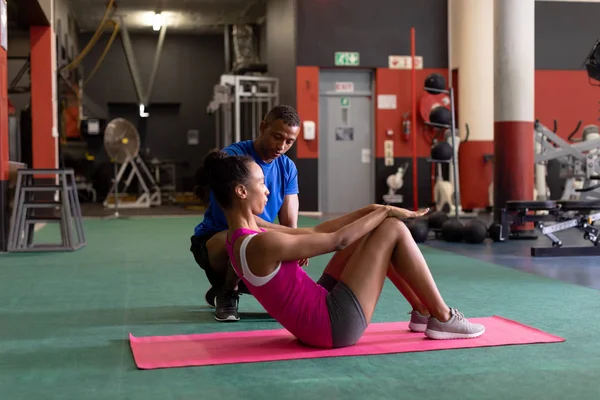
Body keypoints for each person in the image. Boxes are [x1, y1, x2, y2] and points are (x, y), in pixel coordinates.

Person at [194, 150, 486, 349]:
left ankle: (423, 312)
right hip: (331, 326)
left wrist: (371, 209)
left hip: (317, 310)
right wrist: (385, 211)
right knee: (392, 228)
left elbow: (316, 230)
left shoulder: (242, 233)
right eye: (262, 183)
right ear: (241, 191)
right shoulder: (260, 244)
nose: (269, 190)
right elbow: (338, 240)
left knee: (373, 232)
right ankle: (443, 317)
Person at [191, 105, 303, 322]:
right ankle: (227, 292)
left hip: (259, 243)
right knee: (245, 236)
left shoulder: (288, 168)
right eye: (277, 137)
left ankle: (220, 286)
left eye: (289, 141)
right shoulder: (234, 160)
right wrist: (302, 237)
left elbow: (290, 224)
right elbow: (241, 219)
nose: (281, 146)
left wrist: (296, 245)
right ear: (263, 127)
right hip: (216, 242)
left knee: (281, 262)